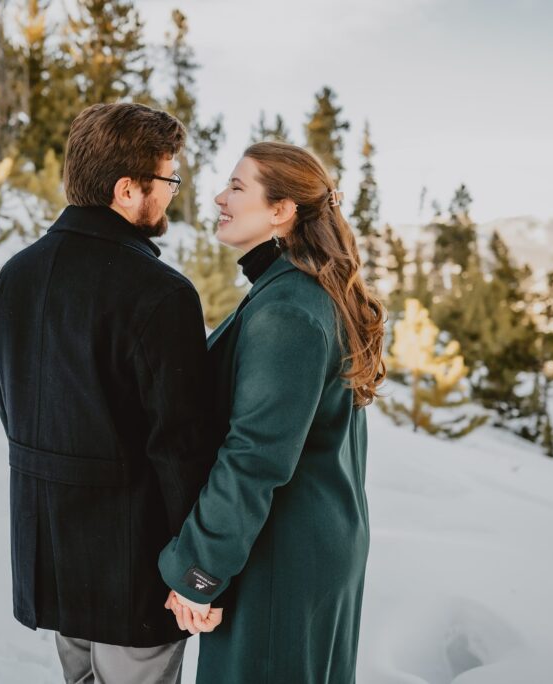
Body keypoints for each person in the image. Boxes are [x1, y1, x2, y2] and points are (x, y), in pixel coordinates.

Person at [0, 102, 214, 684]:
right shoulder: (160, 293)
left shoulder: (14, 276)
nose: (173, 194)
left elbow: (14, 409)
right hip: (134, 571)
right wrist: (200, 570)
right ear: (126, 190)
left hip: (50, 554)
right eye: (167, 180)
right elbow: (180, 450)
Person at [160, 142, 387, 684]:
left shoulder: (287, 309)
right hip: (308, 542)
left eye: (237, 187)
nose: (219, 196)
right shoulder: (294, 291)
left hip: (280, 555)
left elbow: (255, 456)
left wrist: (200, 570)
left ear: (282, 210)